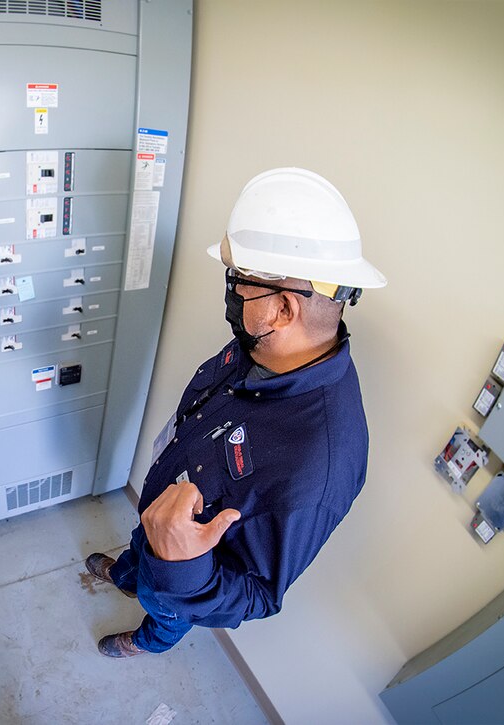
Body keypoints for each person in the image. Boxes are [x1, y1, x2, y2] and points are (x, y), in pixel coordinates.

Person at [85, 167, 387, 657]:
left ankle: (147, 642)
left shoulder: (319, 467)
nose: (232, 292)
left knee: (164, 604)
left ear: (283, 309)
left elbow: (258, 595)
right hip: (161, 509)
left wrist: (179, 564)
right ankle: (125, 575)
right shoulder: (265, 346)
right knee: (142, 552)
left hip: (186, 572)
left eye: (240, 281)